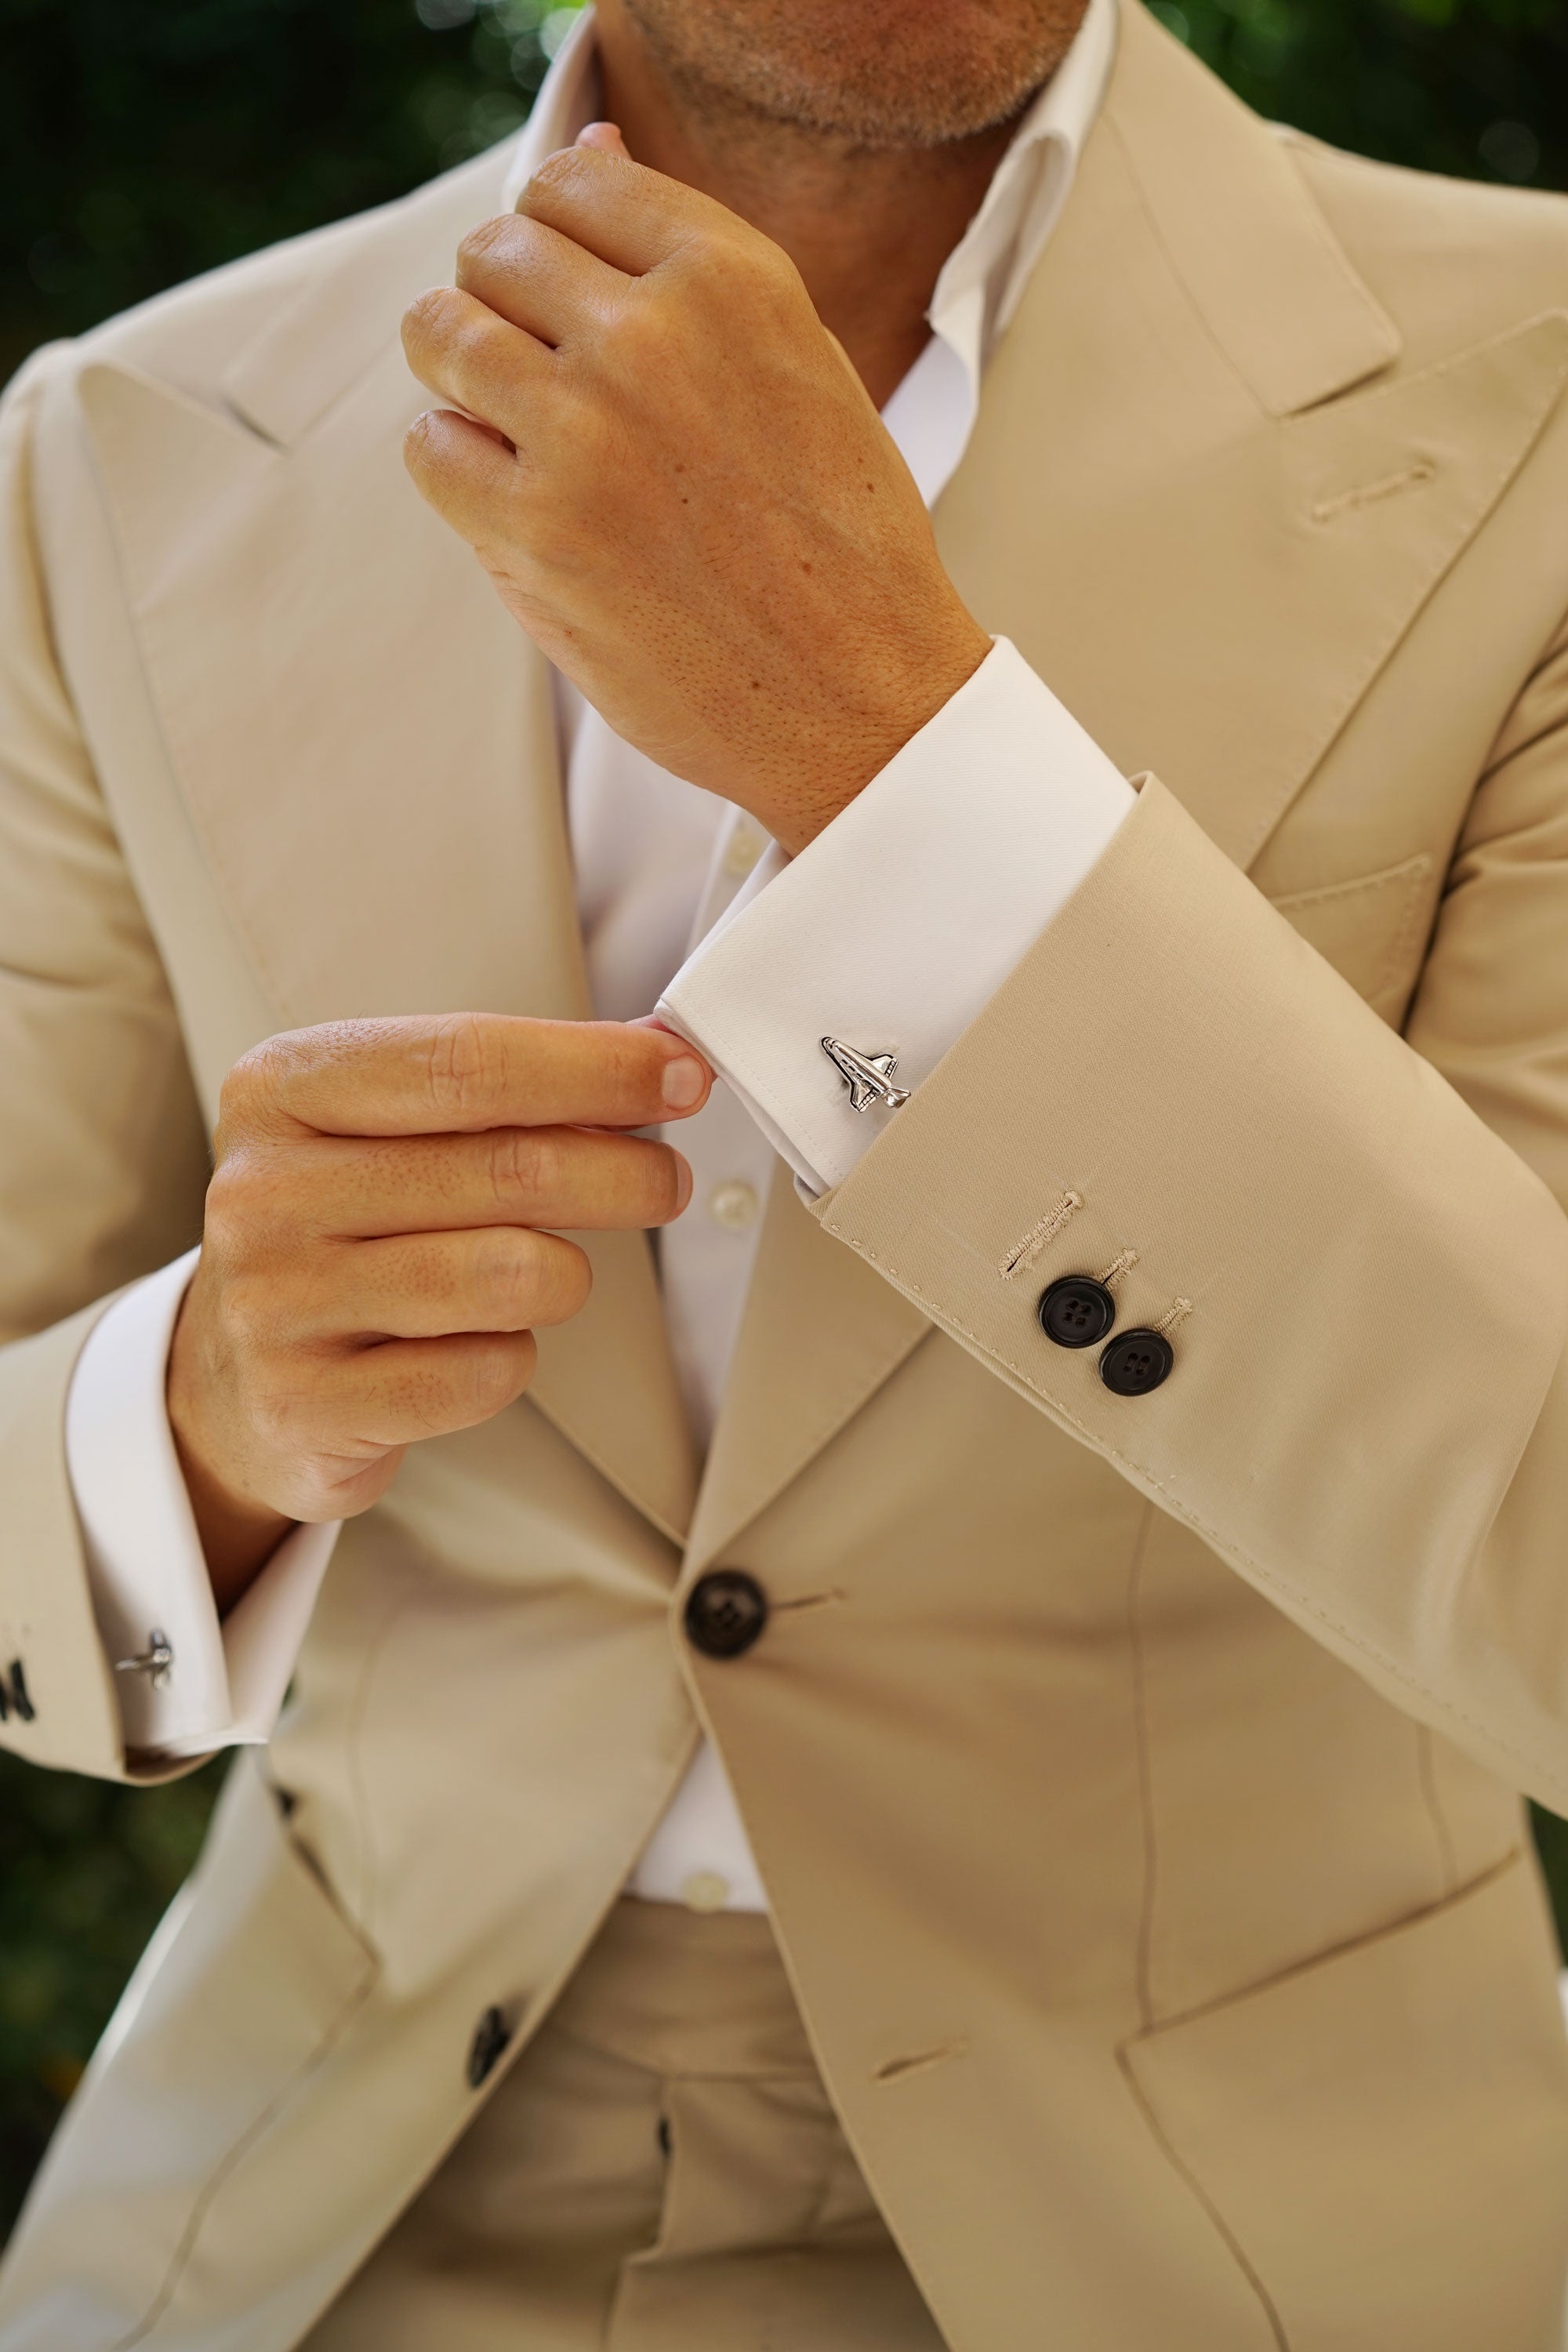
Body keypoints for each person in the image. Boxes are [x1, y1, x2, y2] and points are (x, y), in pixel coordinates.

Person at [3, 0, 1568, 2339]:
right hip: (322, 2201)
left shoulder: (1534, 394)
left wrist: (895, 760)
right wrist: (205, 1417)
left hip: (1252, 2236)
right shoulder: (118, 446)